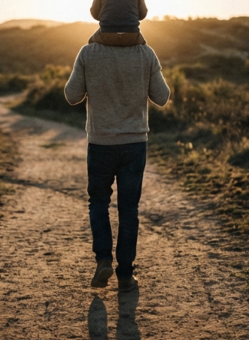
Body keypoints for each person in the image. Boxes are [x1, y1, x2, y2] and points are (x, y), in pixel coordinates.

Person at [64, 18, 170, 292]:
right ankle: (125, 274)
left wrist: (94, 80)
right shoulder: (146, 53)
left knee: (98, 203)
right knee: (129, 209)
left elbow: (72, 95)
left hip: (100, 143)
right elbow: (162, 96)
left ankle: (103, 261)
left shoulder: (88, 53)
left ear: (102, 17)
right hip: (135, 144)